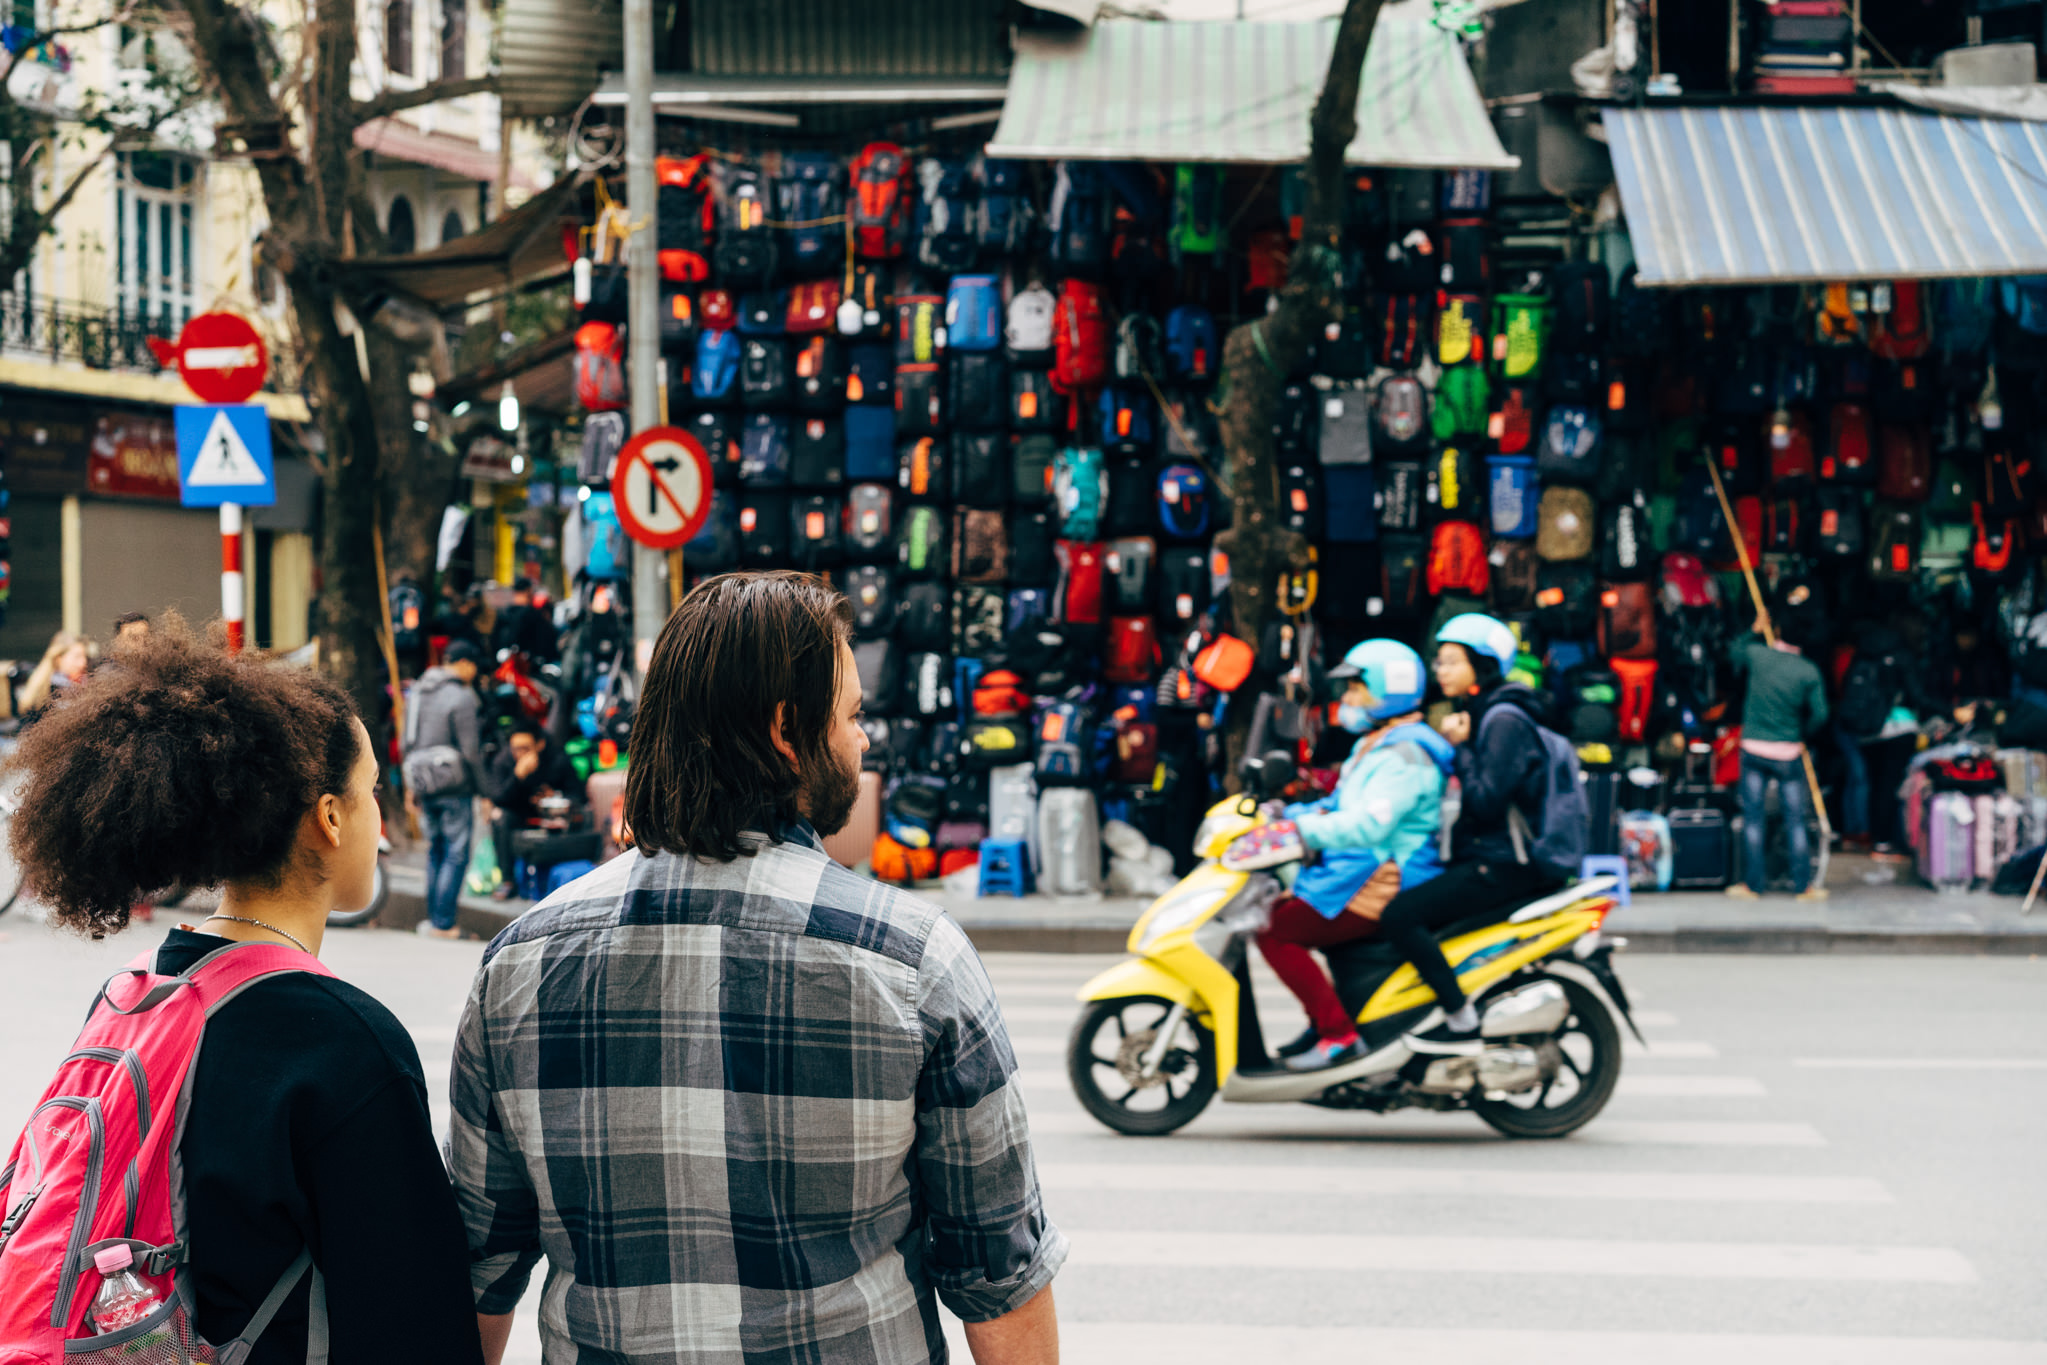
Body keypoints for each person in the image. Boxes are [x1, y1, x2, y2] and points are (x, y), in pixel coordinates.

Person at [448, 572, 1064, 1365]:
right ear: (786, 728)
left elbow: (475, 1272)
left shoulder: (519, 963)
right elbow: (999, 1271)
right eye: (851, 715)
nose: (863, 739)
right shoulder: (913, 960)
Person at [3, 619, 484, 1363]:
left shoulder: (133, 992)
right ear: (329, 818)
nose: (379, 818)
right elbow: (414, 1319)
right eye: (370, 793)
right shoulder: (342, 1041)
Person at [1238, 640, 1455, 1072]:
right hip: (1356, 869)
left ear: (1387, 692)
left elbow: (1369, 825)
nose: (1347, 700)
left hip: (1385, 875)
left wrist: (1297, 830)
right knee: (1281, 914)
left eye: (1357, 689)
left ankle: (1338, 1035)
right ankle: (1327, 1021)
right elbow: (1340, 807)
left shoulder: (1405, 755)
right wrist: (1286, 815)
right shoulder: (1377, 743)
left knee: (1274, 928)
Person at [1382, 613, 1583, 1055]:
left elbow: (1486, 800)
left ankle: (1459, 1017)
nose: (1441, 670)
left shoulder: (1503, 720)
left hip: (1506, 864)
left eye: (1452, 661)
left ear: (1482, 665)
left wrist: (1458, 750)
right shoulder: (1484, 713)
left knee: (1400, 915)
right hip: (1490, 857)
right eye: (1439, 661)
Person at [1729, 615, 1830, 901]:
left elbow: (1733, 651)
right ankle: (1803, 887)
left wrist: (1753, 630)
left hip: (1753, 749)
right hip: (1788, 752)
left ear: (1777, 632)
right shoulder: (1808, 671)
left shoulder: (1758, 655)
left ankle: (1753, 886)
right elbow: (1821, 715)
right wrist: (1802, 734)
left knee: (1753, 819)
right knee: (1795, 820)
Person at [405, 638, 486, 938]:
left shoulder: (418, 690)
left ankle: (435, 919)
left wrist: (409, 787)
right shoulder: (462, 696)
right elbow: (471, 751)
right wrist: (485, 792)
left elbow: (407, 740)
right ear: (464, 664)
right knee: (455, 852)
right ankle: (443, 923)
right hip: (455, 785)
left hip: (423, 782)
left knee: (435, 850)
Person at [482, 718, 584, 900]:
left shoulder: (556, 758)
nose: (520, 754)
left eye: (525, 748)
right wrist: (517, 776)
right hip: (519, 814)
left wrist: (554, 797)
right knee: (500, 818)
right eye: (515, 749)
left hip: (553, 816)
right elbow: (499, 798)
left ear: (540, 744)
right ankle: (508, 880)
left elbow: (578, 794)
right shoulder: (504, 761)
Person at [16, 630, 97, 716]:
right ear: (59, 658)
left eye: (85, 657)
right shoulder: (55, 688)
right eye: (77, 657)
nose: (83, 662)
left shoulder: (47, 682)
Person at [490, 576, 559, 664]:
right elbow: (546, 642)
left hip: (503, 667)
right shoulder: (533, 614)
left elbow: (493, 640)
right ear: (528, 591)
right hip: (526, 668)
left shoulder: (502, 613)